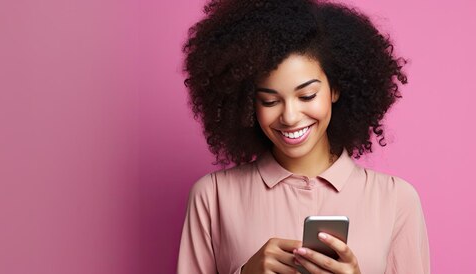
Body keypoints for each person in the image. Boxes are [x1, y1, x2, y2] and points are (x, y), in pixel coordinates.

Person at [176, 0, 430, 273]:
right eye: (269, 101)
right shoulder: (212, 196)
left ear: (335, 90)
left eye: (307, 95)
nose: (290, 116)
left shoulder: (396, 200)